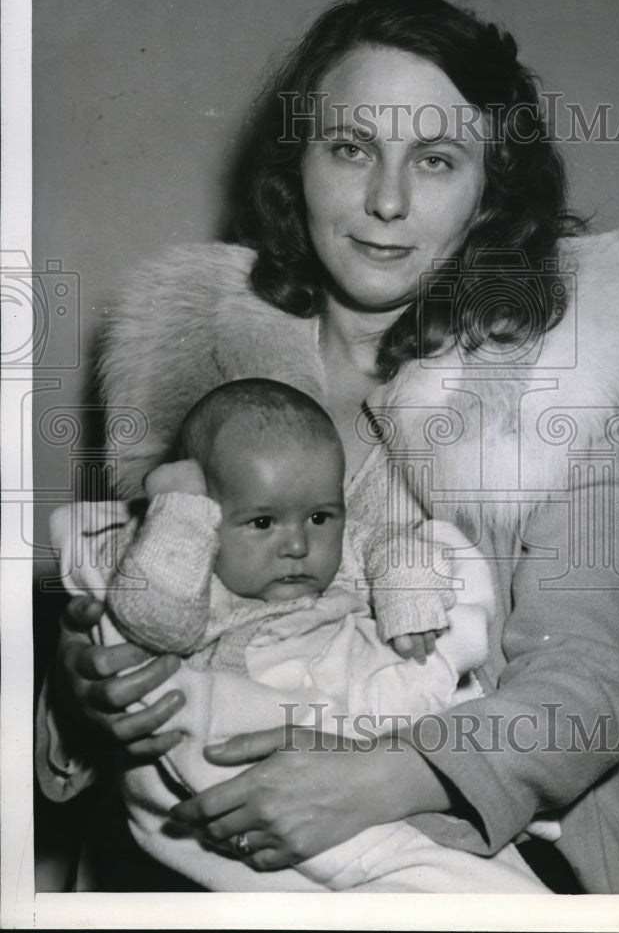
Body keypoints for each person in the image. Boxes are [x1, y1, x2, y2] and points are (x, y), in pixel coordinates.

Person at [37, 0, 619, 894]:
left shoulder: (573, 376)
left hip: (510, 853)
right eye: (350, 148)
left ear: (487, 193)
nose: (386, 201)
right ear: (297, 163)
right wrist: (82, 696)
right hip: (196, 858)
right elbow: (125, 595)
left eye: (436, 159)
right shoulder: (181, 361)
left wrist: (387, 775)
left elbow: (589, 680)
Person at [50, 377, 553, 891]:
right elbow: (157, 619)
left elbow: (397, 548)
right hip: (222, 781)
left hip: (377, 763)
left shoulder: (343, 560)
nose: (296, 544)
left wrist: (407, 591)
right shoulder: (183, 562)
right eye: (263, 522)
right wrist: (72, 686)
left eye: (319, 516)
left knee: (475, 886)